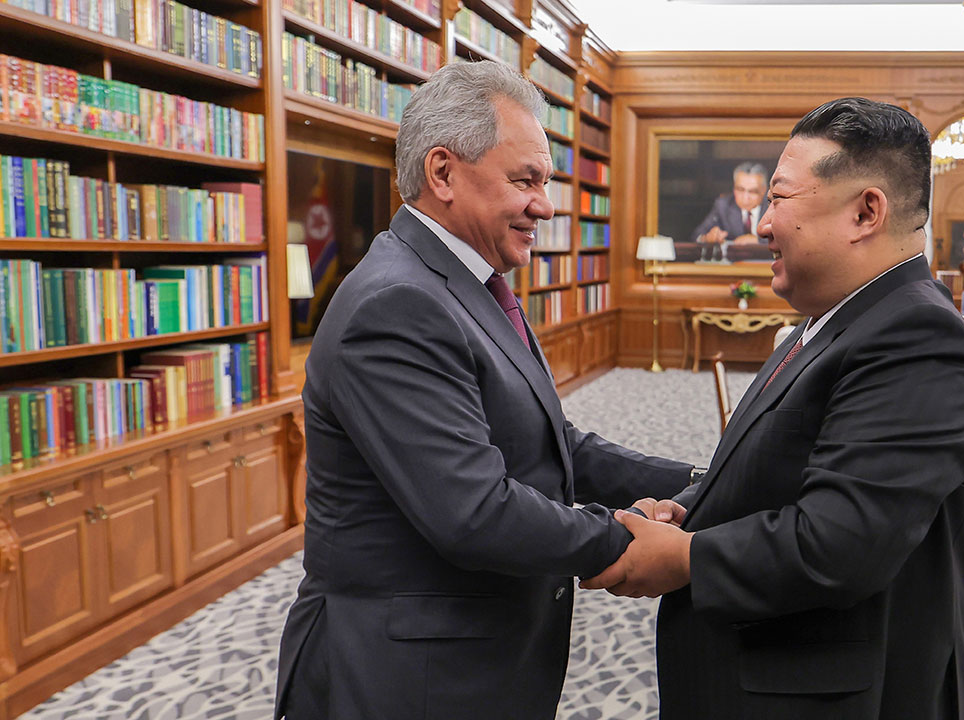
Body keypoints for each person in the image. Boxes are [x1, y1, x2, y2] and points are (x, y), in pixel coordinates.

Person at [274, 60, 692, 720]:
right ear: (442, 172)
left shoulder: (469, 283)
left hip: (474, 657)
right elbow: (473, 511)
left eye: (545, 182)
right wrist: (625, 539)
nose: (545, 205)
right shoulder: (396, 304)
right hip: (407, 679)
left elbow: (556, 448)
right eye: (524, 180)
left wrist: (704, 477)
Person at [584, 97, 964, 719]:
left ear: (865, 212)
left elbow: (841, 542)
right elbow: (782, 471)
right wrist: (690, 508)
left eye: (779, 199)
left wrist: (684, 556)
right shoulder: (837, 320)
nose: (762, 224)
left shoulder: (919, 339)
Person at [690, 162, 770, 261]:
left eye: (753, 191)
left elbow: (787, 241)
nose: (746, 197)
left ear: (764, 190)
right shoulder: (723, 205)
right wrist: (707, 238)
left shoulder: (774, 206)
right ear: (734, 188)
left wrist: (759, 241)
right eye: (740, 190)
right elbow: (696, 235)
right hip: (734, 266)